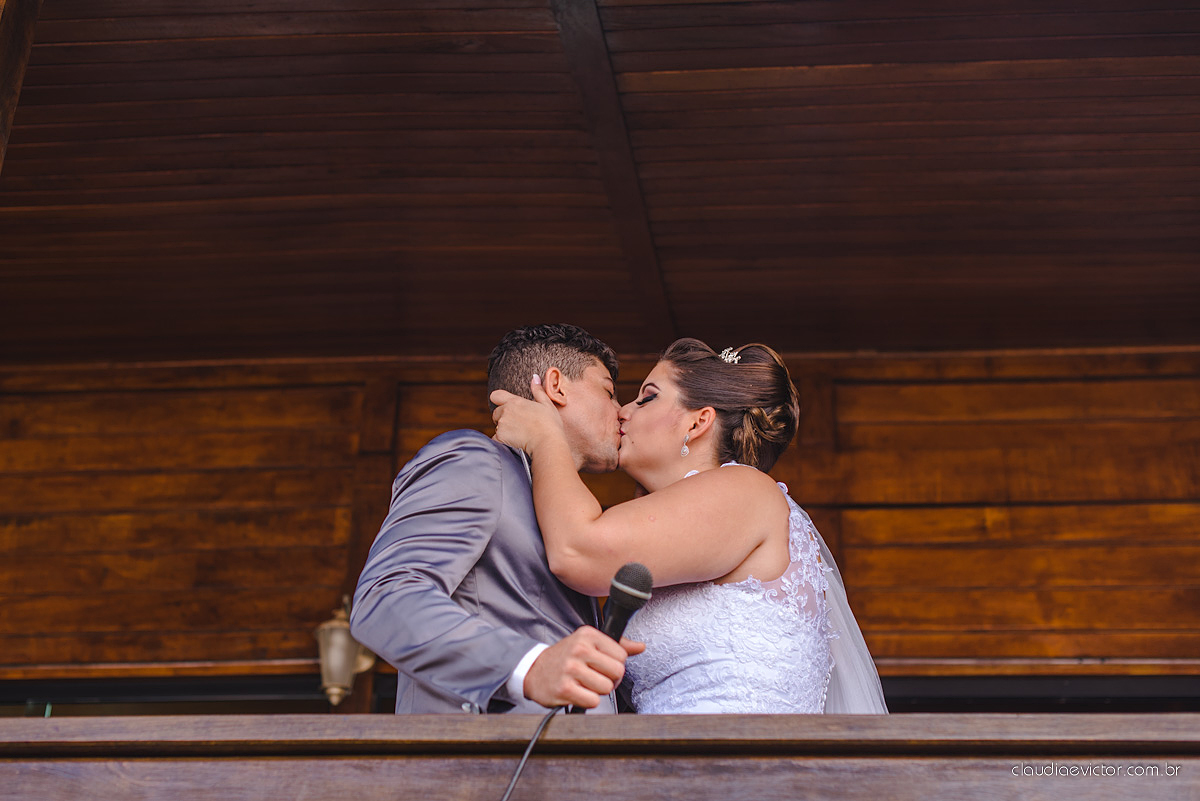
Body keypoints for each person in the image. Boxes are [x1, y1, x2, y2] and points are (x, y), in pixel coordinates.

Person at [491, 337, 888, 714]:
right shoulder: (691, 521)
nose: (623, 411)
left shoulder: (745, 491)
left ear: (698, 423)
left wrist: (547, 437)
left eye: (647, 397)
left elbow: (578, 551)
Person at [350, 324, 643, 714]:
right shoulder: (475, 460)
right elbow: (386, 596)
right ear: (556, 386)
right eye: (609, 392)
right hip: (481, 748)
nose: (621, 411)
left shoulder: (563, 511)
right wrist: (528, 667)